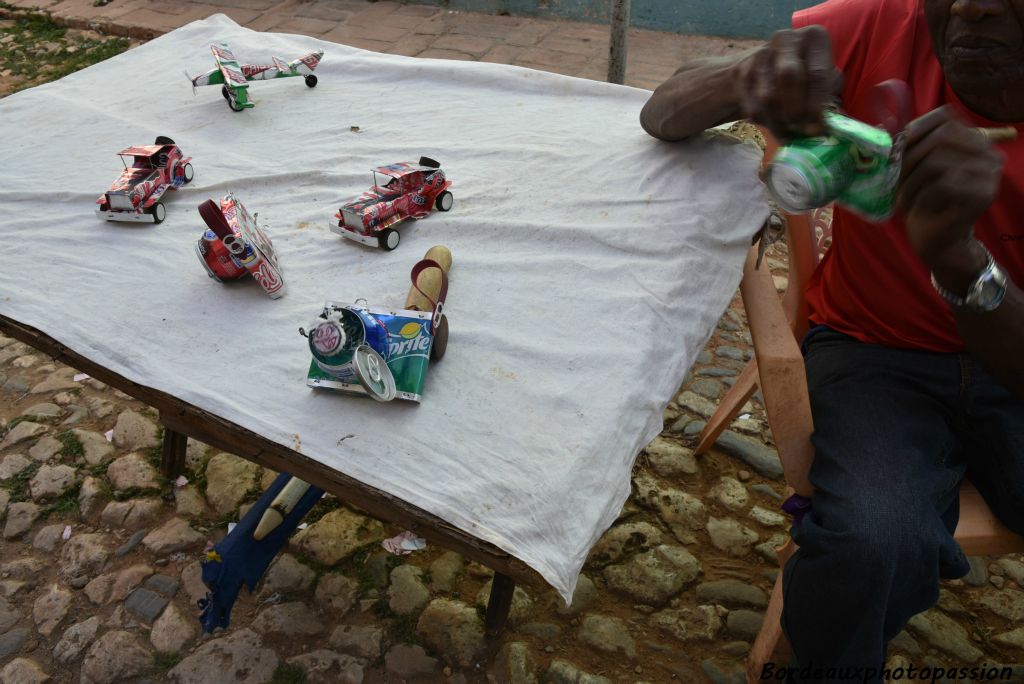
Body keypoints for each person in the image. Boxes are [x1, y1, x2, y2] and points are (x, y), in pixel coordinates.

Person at [640, 0, 1023, 678]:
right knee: (868, 544)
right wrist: (748, 77)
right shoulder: (880, 23)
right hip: (875, 354)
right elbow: (662, 111)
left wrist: (961, 264)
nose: (971, 5)